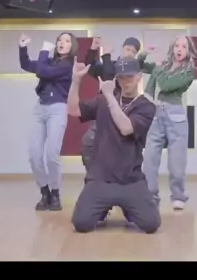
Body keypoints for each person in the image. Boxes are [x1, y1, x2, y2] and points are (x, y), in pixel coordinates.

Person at [67, 56, 161, 234]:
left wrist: (109, 96)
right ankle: (104, 205)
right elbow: (73, 110)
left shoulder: (146, 106)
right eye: (121, 77)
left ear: (139, 77)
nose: (125, 82)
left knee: (151, 224)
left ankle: (128, 207)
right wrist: (76, 81)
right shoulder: (103, 101)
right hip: (101, 179)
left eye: (130, 77)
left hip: (130, 180)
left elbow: (126, 128)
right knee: (81, 223)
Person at [19, 32, 78, 211]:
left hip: (58, 108)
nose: (62, 43)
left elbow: (43, 71)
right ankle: (45, 192)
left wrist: (44, 51)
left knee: (52, 154)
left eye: (66, 41)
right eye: (59, 40)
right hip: (40, 108)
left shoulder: (68, 65)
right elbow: (27, 65)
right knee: (34, 155)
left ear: (72, 46)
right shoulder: (49, 62)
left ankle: (56, 193)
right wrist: (23, 48)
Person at [142, 35, 197, 211]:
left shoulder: (189, 72)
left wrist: (157, 67)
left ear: (189, 51)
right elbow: (140, 65)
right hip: (156, 114)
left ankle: (178, 196)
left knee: (177, 161)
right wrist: (144, 53)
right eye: (176, 46)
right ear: (172, 49)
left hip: (176, 116)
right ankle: (150, 196)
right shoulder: (164, 66)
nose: (179, 49)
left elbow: (166, 85)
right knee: (149, 158)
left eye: (184, 46)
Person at [81, 36, 155, 168]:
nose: (130, 53)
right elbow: (92, 67)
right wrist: (93, 49)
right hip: (104, 111)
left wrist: (144, 54)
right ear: (122, 49)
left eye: (133, 51)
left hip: (124, 114)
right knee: (90, 141)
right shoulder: (110, 64)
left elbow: (138, 64)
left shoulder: (133, 69)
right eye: (128, 49)